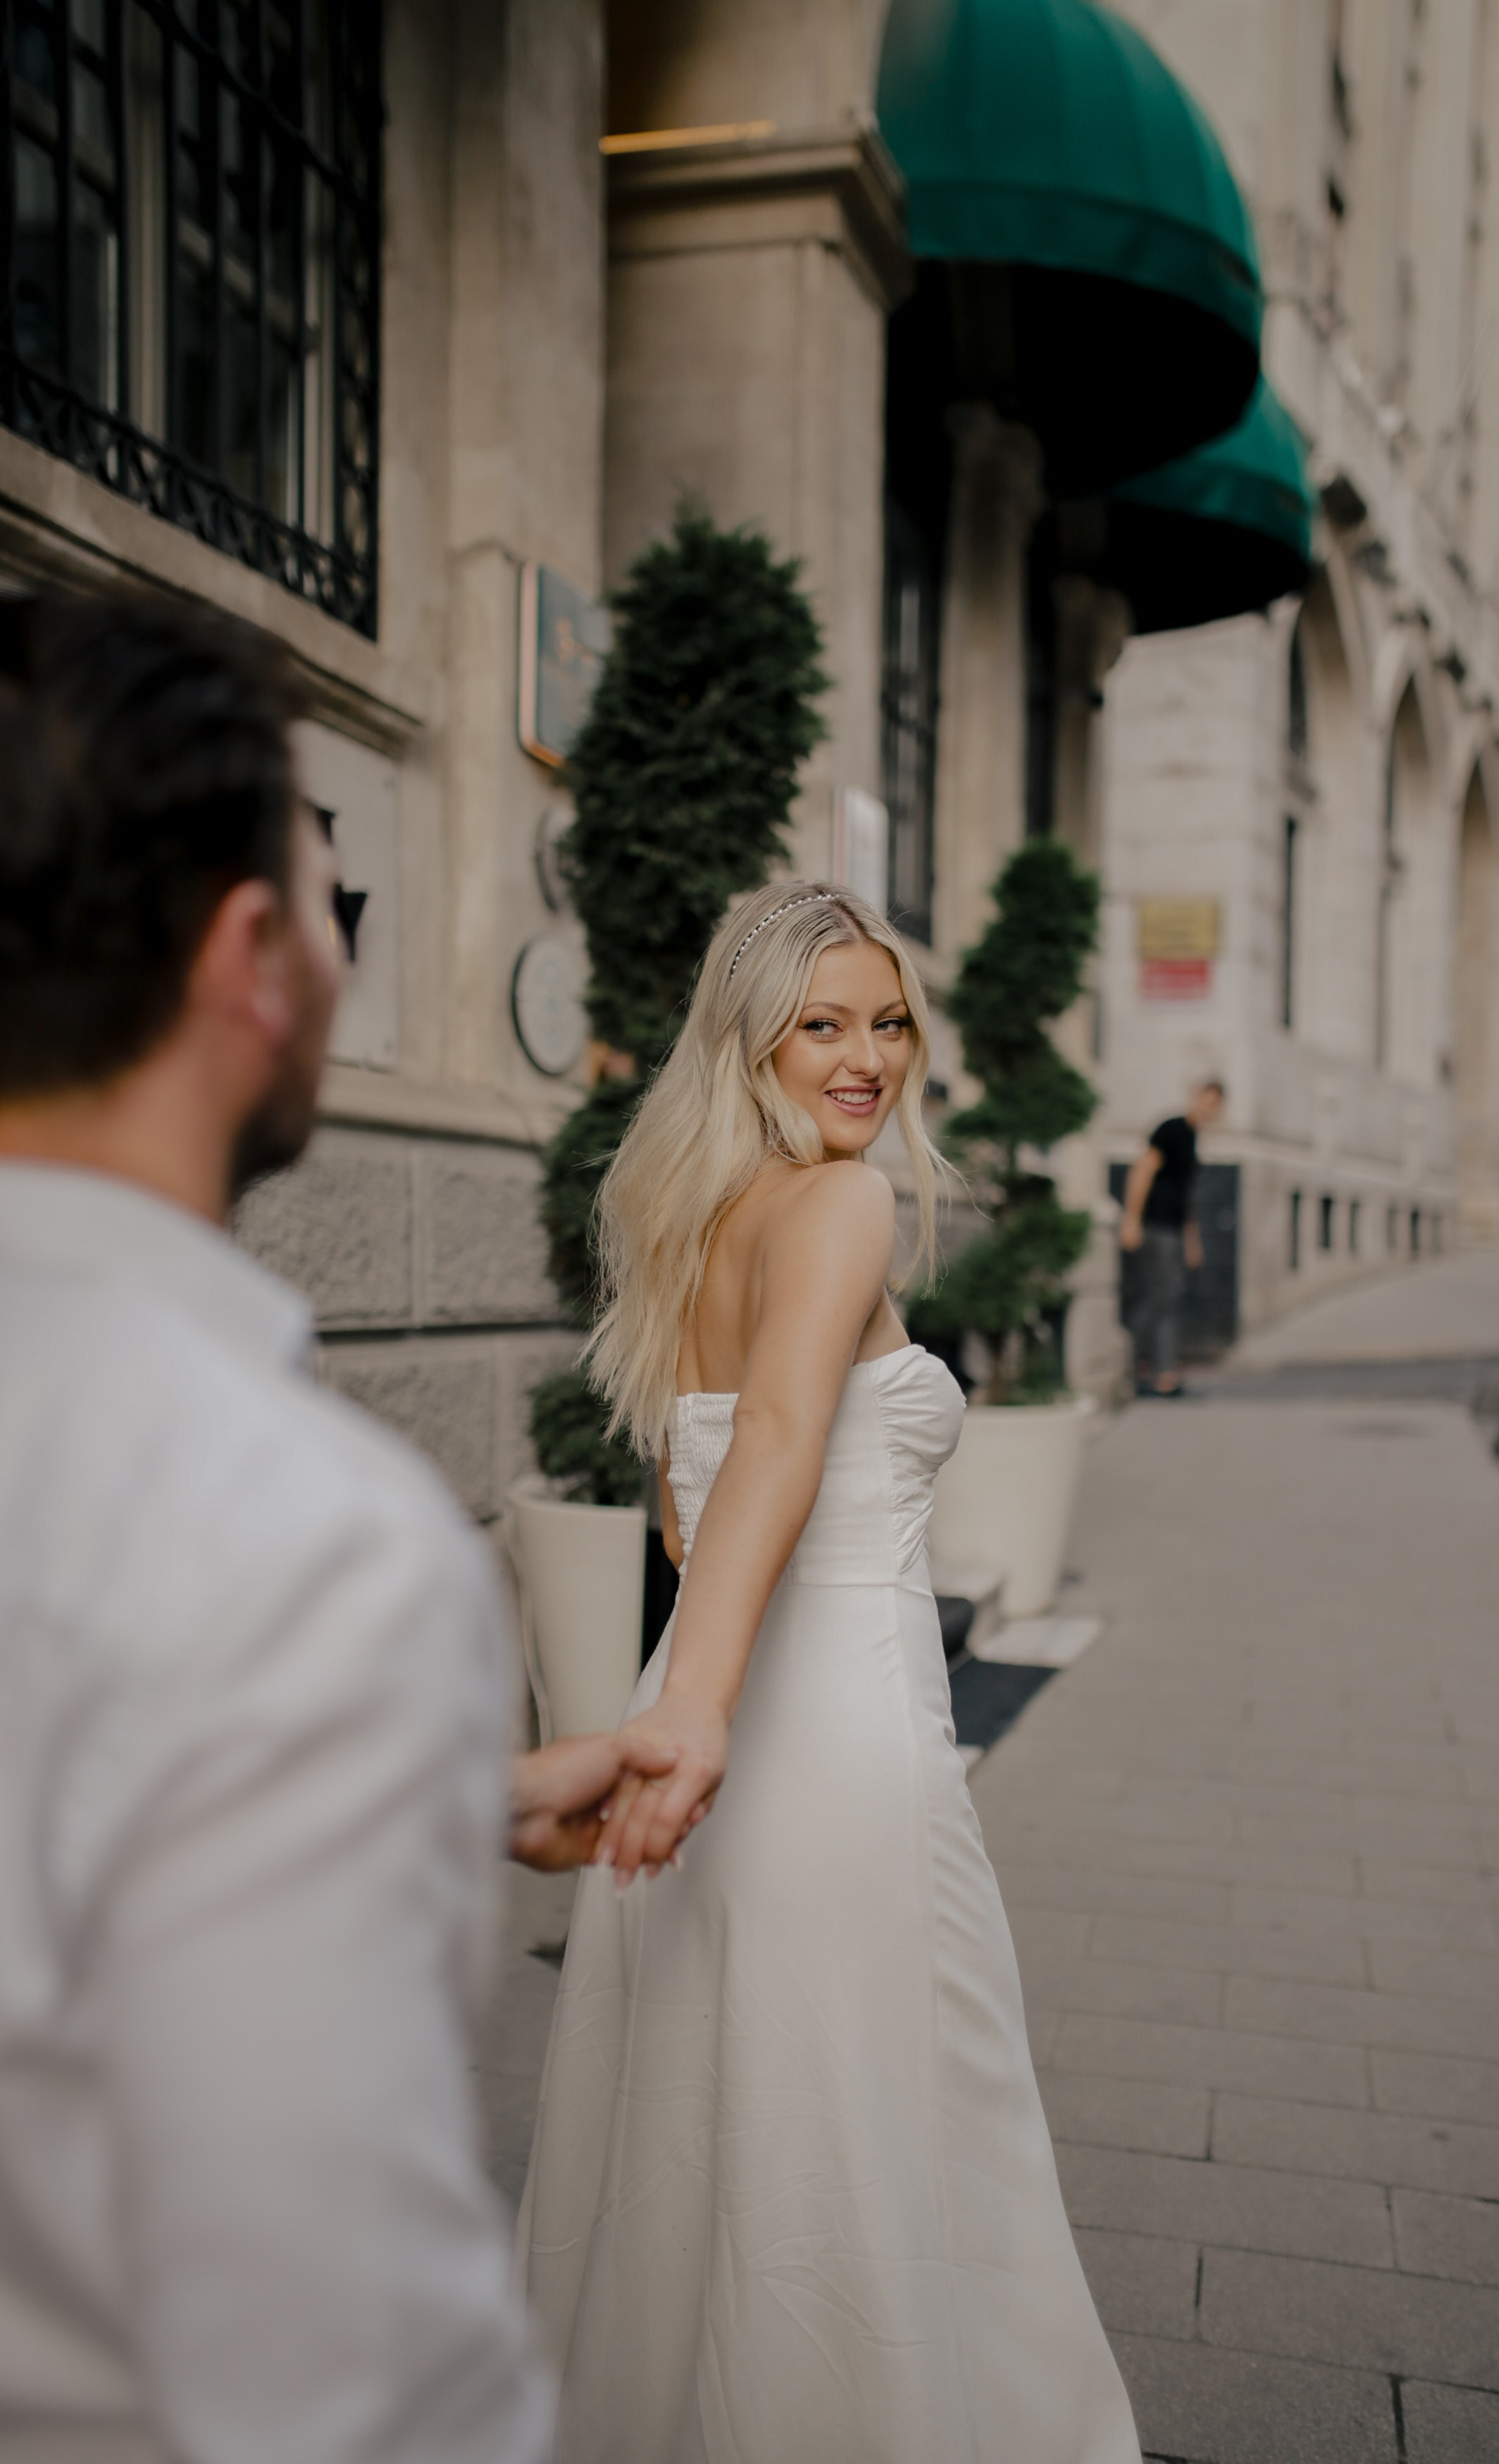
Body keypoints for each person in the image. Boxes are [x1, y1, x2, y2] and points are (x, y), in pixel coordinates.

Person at [0, 588, 676, 2463]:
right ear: (248, 961)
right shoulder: (300, 1539)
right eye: (332, 897)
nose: (333, 949)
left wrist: (437, 1784)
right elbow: (349, 2374)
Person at [512, 882, 1140, 2464]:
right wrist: (695, 1713)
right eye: (821, 1024)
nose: (866, 1057)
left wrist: (678, 1699)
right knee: (887, 2145)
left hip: (717, 1727)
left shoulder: (688, 1224)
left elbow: (686, 1490)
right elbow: (779, 1442)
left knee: (705, 2156)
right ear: (751, 1040)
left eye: (885, 1019)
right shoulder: (838, 1207)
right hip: (832, 1734)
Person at [1117, 1078, 1225, 1397]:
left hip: (1174, 1231)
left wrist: (1192, 1242)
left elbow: (1185, 1197)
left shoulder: (1192, 1138)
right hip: (1156, 1227)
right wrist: (1131, 1220)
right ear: (1195, 1097)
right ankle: (1156, 1373)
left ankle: (1147, 1371)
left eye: (1215, 1105)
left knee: (1163, 1299)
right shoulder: (1172, 1129)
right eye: (1207, 1101)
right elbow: (1142, 1171)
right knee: (1160, 1301)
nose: (1210, 1109)